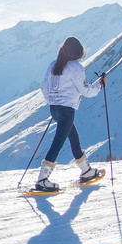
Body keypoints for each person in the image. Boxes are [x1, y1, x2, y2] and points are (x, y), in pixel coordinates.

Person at [34, 36, 106, 194]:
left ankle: (86, 170)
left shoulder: (53, 65)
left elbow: (44, 87)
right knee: (58, 142)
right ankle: (42, 179)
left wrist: (53, 100)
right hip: (67, 109)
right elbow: (86, 91)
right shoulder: (76, 67)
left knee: (73, 137)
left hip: (55, 108)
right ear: (77, 53)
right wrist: (99, 85)